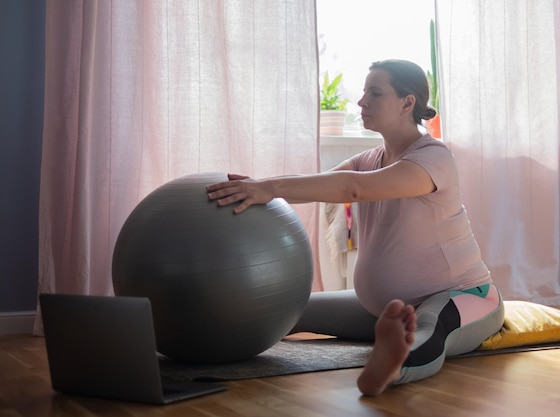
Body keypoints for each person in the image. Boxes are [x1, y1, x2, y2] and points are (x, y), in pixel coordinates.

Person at [206, 59, 504, 396]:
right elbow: (322, 183)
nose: (361, 102)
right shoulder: (370, 159)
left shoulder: (434, 157)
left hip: (461, 296)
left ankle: (391, 365)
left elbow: (353, 189)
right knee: (285, 308)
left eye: (374, 93)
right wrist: (261, 187)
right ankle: (201, 338)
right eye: (364, 92)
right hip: (380, 309)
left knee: (428, 329)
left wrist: (270, 188)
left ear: (407, 103)